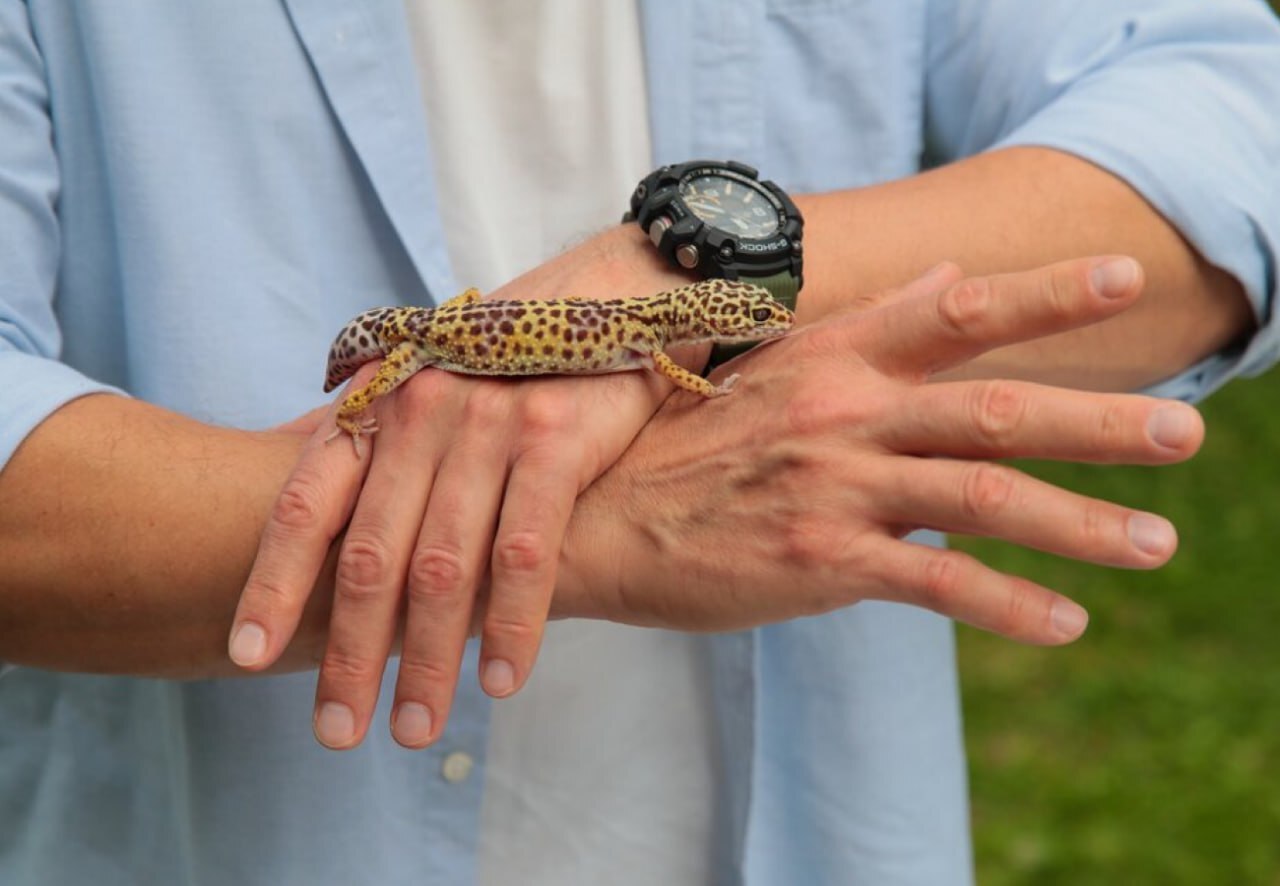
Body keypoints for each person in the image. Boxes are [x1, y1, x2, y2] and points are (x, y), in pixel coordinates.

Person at [1, 2, 1276, 884]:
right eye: (736, 319)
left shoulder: (676, 324)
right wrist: (581, 510)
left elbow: (1236, 113)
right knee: (416, 350)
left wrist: (780, 267)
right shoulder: (662, 346)